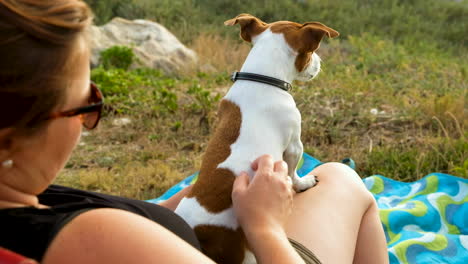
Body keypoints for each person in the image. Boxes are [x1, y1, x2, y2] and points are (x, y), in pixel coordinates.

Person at [0, 0, 389, 263]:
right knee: (343, 179)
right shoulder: (91, 238)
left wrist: (203, 189)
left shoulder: (31, 197)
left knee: (334, 178)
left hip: (208, 216)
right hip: (246, 247)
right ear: (8, 142)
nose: (89, 120)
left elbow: (139, 217)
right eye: (89, 103)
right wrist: (264, 227)